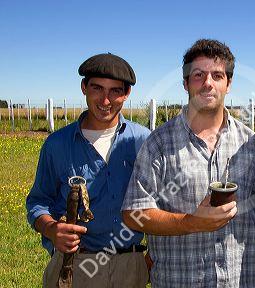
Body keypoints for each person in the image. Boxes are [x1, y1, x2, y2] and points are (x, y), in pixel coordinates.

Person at [122, 39, 255, 287]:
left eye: (217, 75)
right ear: (185, 83)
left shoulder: (254, 145)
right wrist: (190, 223)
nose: (208, 83)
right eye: (198, 75)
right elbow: (133, 215)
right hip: (180, 280)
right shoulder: (159, 143)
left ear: (229, 83)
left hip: (241, 280)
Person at [26, 53, 151, 287]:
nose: (105, 100)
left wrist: (151, 257)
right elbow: (37, 202)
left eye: (115, 91)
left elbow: (158, 202)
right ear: (84, 87)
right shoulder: (57, 145)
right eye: (97, 88)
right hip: (75, 266)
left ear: (127, 94)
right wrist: (52, 229)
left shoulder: (143, 141)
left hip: (130, 268)